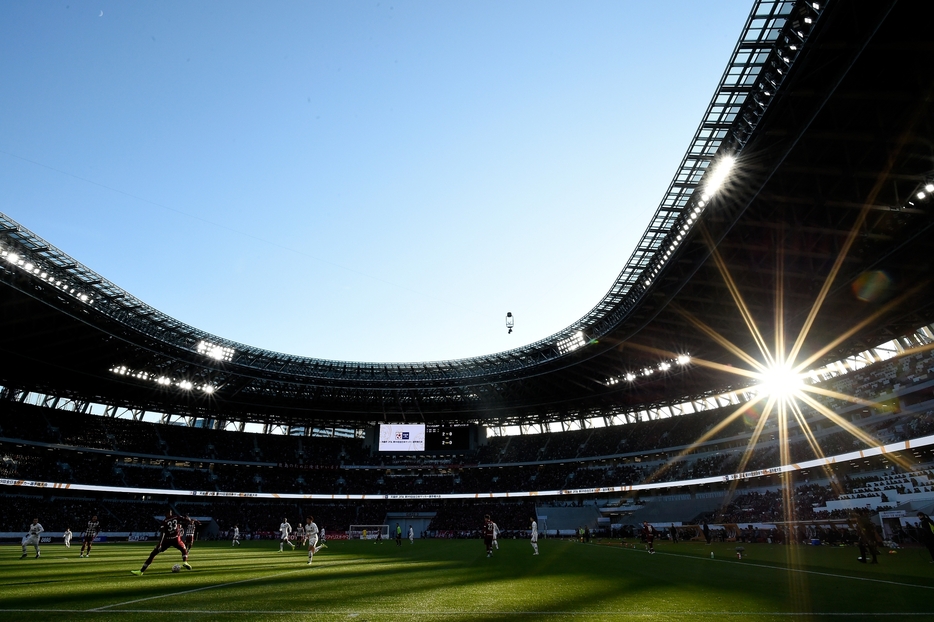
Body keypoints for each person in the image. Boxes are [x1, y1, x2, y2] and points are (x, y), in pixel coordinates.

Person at [131, 509, 192, 575]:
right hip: (176, 539)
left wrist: (160, 543)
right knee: (184, 549)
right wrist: (187, 517)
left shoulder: (164, 521)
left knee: (153, 554)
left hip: (167, 540)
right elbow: (188, 520)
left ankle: (141, 571)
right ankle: (185, 562)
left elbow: (162, 533)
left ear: (167, 513)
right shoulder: (176, 517)